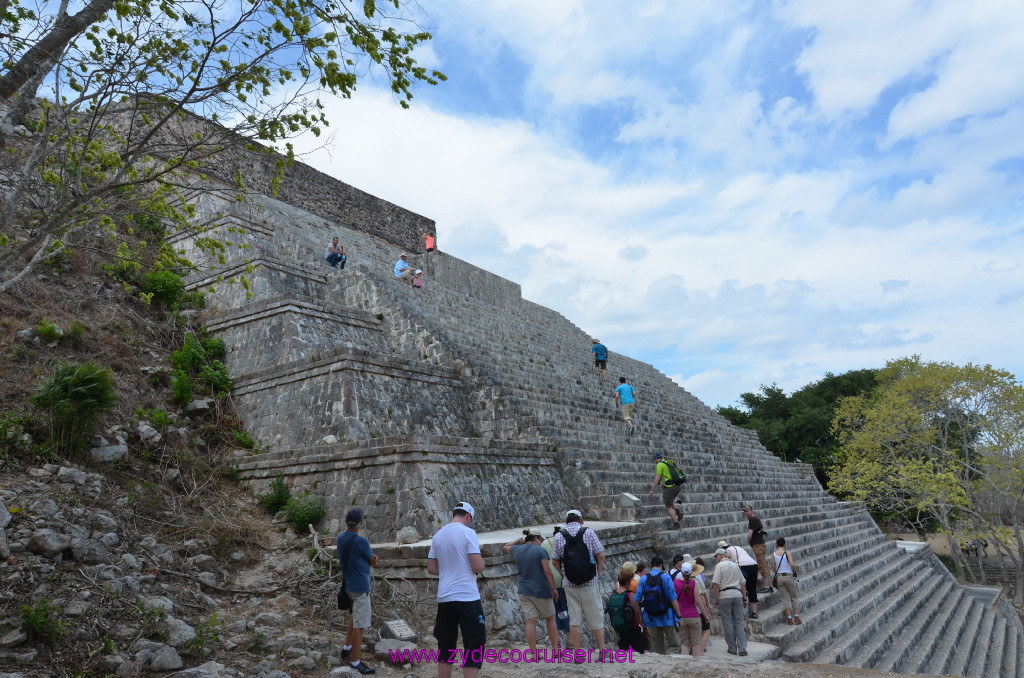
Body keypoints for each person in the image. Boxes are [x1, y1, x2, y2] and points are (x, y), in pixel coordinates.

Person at [427, 502, 486, 678]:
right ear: (468, 516)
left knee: (445, 647)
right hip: (467, 597)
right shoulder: (468, 533)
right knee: (473, 646)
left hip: (445, 598)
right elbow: (477, 566)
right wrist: (482, 564)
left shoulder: (438, 535)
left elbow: (431, 568)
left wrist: (448, 569)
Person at [551, 509, 607, 656]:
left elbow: (555, 560)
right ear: (581, 520)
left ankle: (577, 653)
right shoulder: (588, 533)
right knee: (595, 616)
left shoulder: (559, 536)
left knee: (574, 619)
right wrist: (598, 571)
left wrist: (562, 574)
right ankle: (602, 651)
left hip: (569, 584)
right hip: (590, 582)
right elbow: (601, 555)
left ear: (566, 522)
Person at [503, 528, 559, 653]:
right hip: (541, 590)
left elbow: (505, 546)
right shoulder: (540, 551)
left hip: (524, 590)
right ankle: (555, 650)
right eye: (540, 539)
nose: (541, 542)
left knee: (530, 621)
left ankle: (533, 654)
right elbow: (548, 571)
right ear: (536, 538)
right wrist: (554, 589)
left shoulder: (517, 549)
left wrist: (518, 540)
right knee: (550, 618)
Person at [337, 508, 378, 675]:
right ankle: (355, 661)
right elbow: (372, 561)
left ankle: (347, 647)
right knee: (360, 625)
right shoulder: (361, 541)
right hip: (360, 587)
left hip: (347, 585)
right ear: (360, 523)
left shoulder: (340, 538)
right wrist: (375, 559)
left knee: (355, 617)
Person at [635, 556, 681, 655]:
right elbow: (672, 598)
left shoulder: (643, 579)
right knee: (674, 645)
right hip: (667, 616)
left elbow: (637, 600)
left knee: (656, 647)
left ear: (651, 566)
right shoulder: (666, 577)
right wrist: (679, 615)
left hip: (650, 617)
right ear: (661, 565)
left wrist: (640, 616)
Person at [713, 548, 748, 656]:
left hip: (724, 595)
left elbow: (716, 585)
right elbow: (742, 584)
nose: (716, 559)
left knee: (728, 622)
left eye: (716, 556)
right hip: (737, 594)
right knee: (739, 622)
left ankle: (732, 648)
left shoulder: (719, 566)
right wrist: (744, 598)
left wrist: (715, 599)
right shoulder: (735, 566)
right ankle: (742, 649)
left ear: (720, 555)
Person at [718, 538, 762, 619]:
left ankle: (741, 609)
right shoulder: (737, 547)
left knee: (740, 586)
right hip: (753, 565)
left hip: (742, 567)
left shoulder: (727, 550)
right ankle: (754, 612)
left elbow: (725, 559)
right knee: (752, 589)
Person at [674, 562, 710, 657]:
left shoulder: (675, 582)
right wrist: (705, 615)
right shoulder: (694, 583)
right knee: (695, 643)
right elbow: (698, 602)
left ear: (681, 571)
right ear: (691, 573)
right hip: (694, 616)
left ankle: (685, 665)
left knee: (684, 643)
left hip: (681, 616)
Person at [609, 569, 646, 653]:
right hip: (633, 627)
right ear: (626, 583)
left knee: (624, 651)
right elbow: (637, 612)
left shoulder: (612, 594)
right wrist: (642, 624)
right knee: (638, 652)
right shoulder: (630, 595)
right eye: (630, 582)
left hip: (619, 627)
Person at [542, 527, 569, 637]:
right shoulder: (565, 541)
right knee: (567, 610)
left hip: (551, 581)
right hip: (564, 579)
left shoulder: (544, 543)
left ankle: (556, 639)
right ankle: (570, 640)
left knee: (555, 611)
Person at [649, 452, 683, 528]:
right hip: (677, 486)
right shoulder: (667, 462)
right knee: (669, 501)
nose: (654, 461)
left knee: (668, 507)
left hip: (670, 488)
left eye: (654, 459)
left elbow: (657, 478)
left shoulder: (660, 465)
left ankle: (676, 524)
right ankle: (678, 511)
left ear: (657, 458)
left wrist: (652, 490)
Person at [743, 505, 772, 593]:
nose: (746, 513)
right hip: (761, 544)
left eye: (747, 511)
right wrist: (760, 533)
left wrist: (749, 543)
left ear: (752, 511)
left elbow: (749, 535)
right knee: (764, 565)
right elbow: (763, 526)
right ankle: (769, 585)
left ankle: (767, 586)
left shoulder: (752, 520)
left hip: (757, 545)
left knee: (761, 565)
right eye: (745, 512)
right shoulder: (756, 519)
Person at [773, 537, 801, 625]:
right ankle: (796, 617)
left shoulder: (773, 554)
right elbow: (792, 564)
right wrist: (795, 572)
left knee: (785, 599)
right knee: (793, 597)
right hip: (789, 576)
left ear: (777, 545)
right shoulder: (787, 553)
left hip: (780, 578)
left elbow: (774, 568)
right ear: (784, 544)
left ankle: (789, 619)